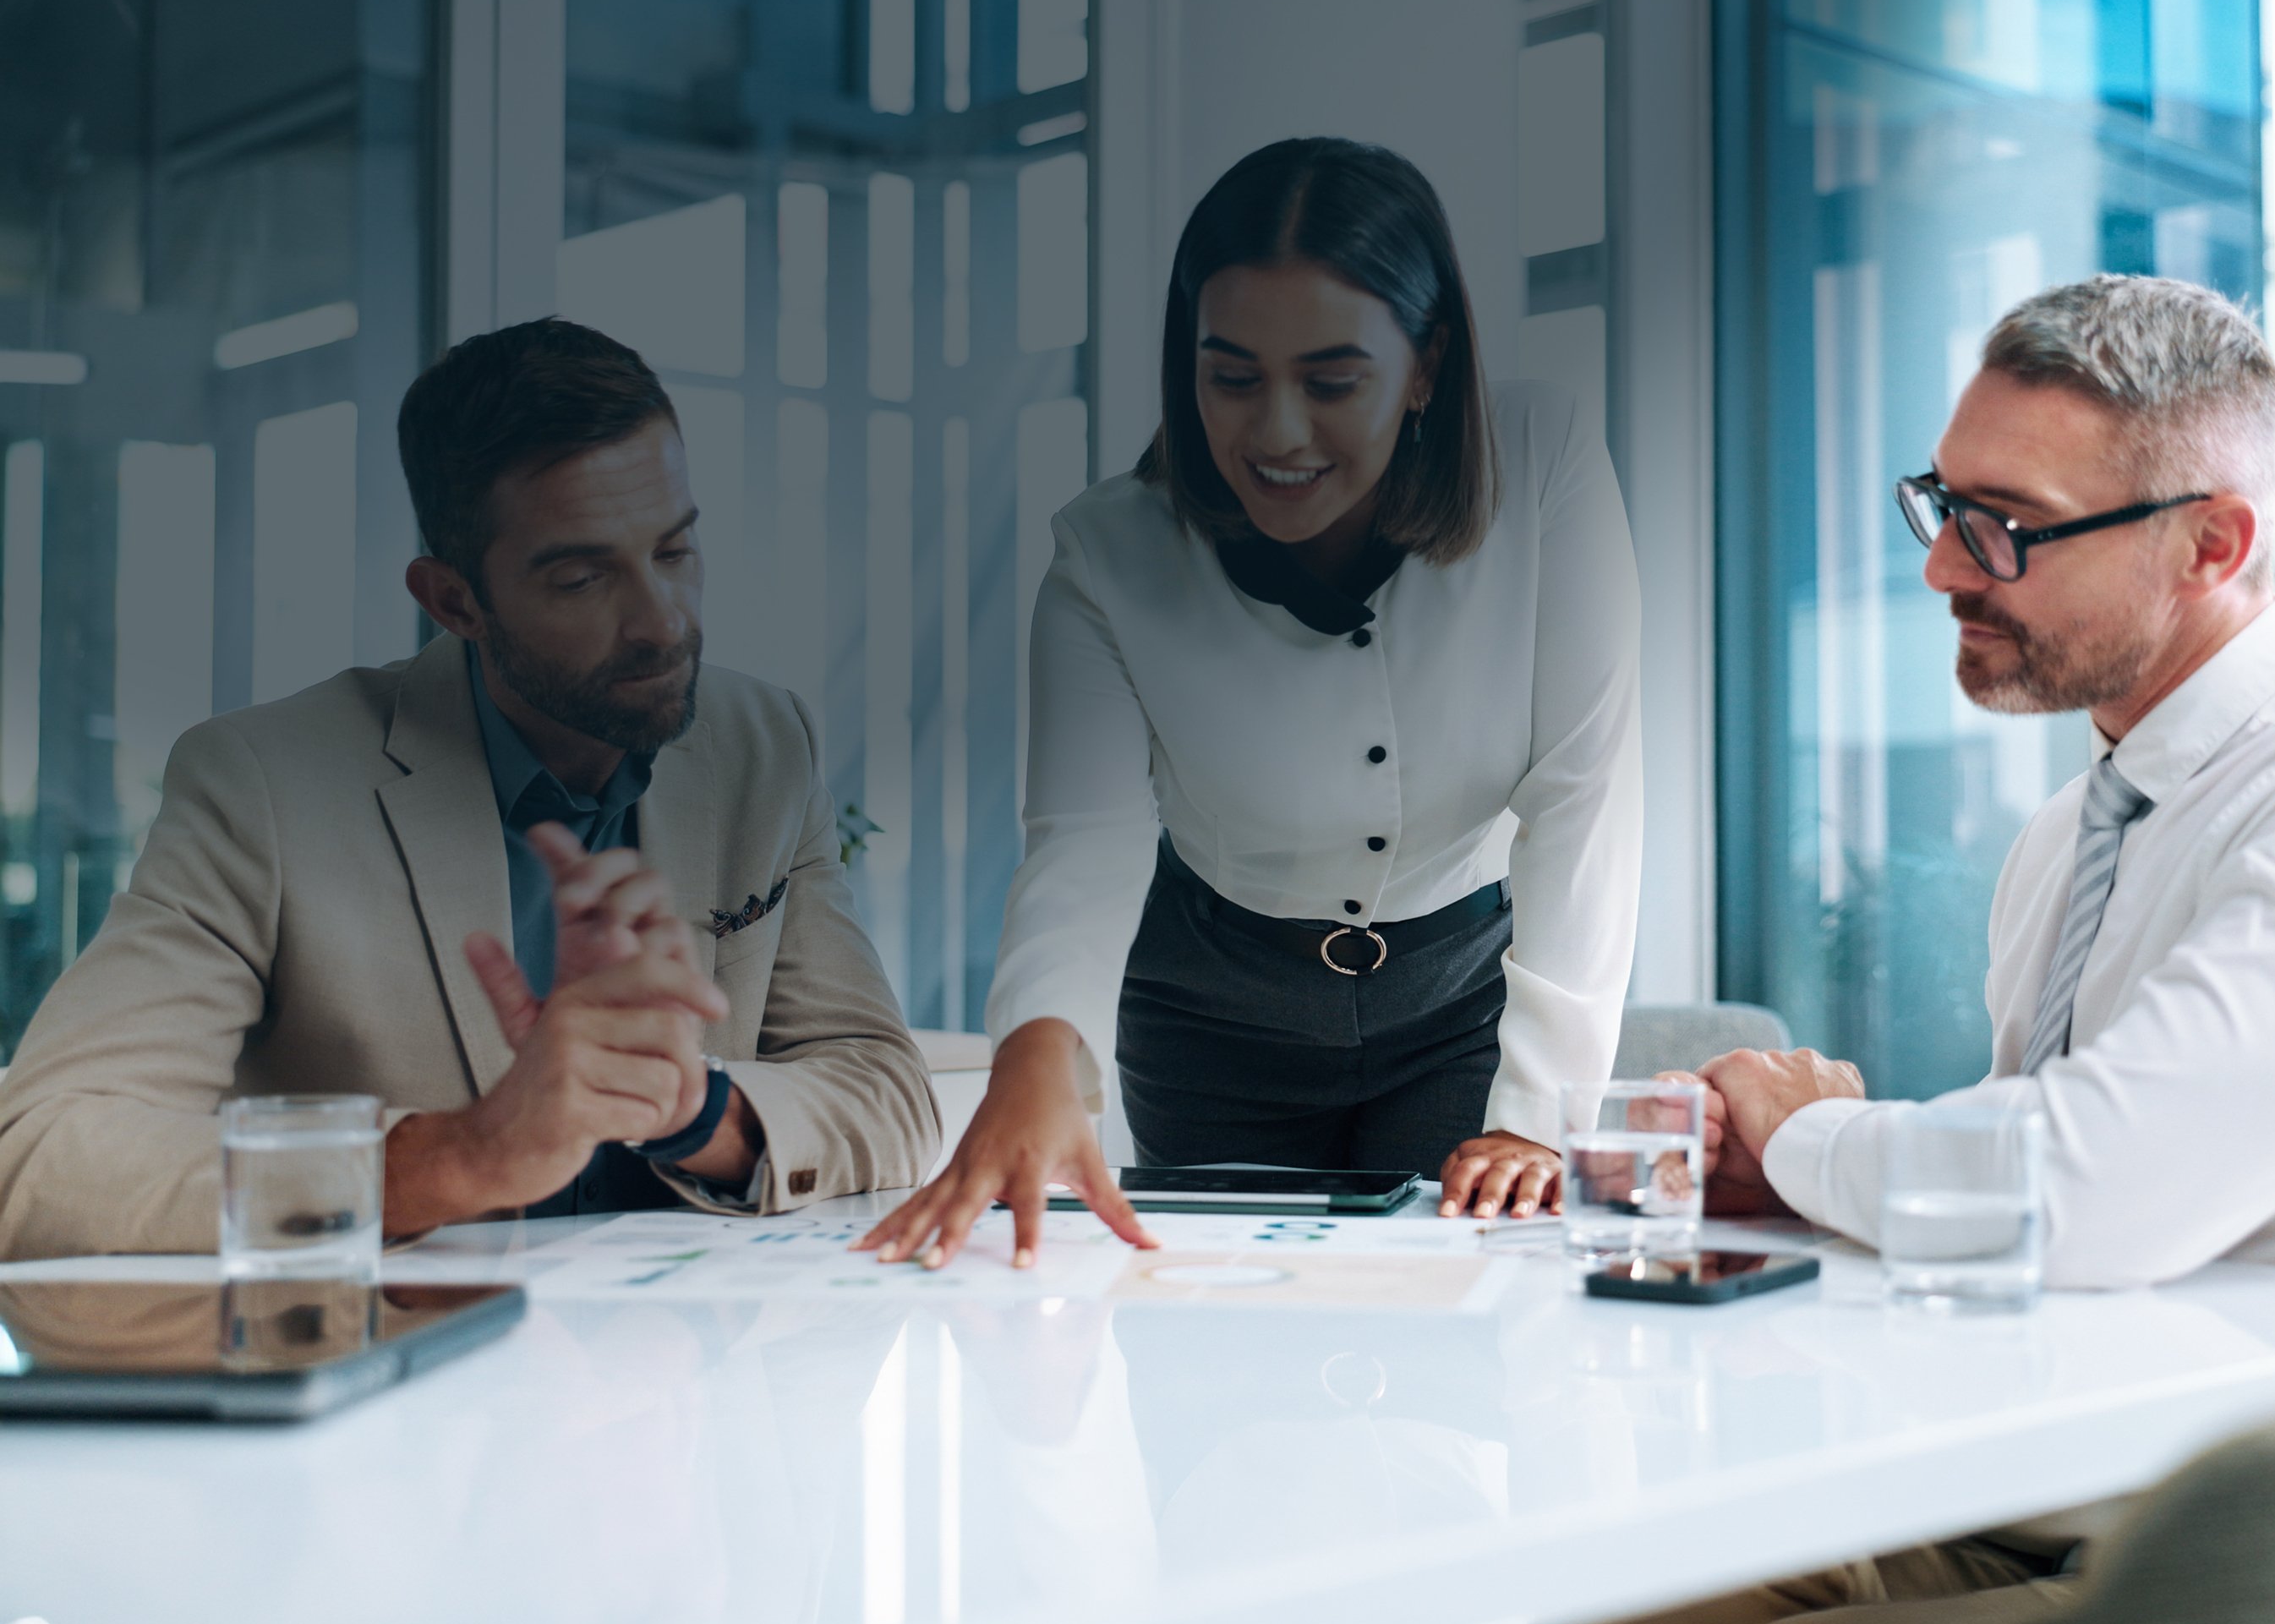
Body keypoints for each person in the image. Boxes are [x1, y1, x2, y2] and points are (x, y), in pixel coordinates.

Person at [1494, 275, 2275, 1624]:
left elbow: (2078, 1189)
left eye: (2003, 525)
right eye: (1940, 506)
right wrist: (1800, 1179)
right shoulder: (2074, 840)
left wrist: (1814, 1140)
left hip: (2271, 1564)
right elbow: (2045, 1197)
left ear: (2212, 543)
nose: (1946, 570)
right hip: (2046, 1489)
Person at [862, 138, 1642, 1277]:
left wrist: (1538, 1106)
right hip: (1211, 1023)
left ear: (1426, 366)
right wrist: (1034, 1059)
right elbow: (1083, 845)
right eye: (1232, 377)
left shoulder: (1545, 461)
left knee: (1468, 1356)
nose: (1276, 433)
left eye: (1332, 382)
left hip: (1463, 1011)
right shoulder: (1106, 555)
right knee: (1221, 1369)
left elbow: (1589, 790)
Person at [0, 318, 938, 1257]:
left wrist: (695, 1110)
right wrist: (456, 1159)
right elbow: (36, 1156)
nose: (662, 622)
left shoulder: (761, 743)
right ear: (453, 602)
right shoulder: (266, 785)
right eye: (580, 578)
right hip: (413, 1378)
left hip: (693, 1369)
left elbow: (885, 1091)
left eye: (674, 550)